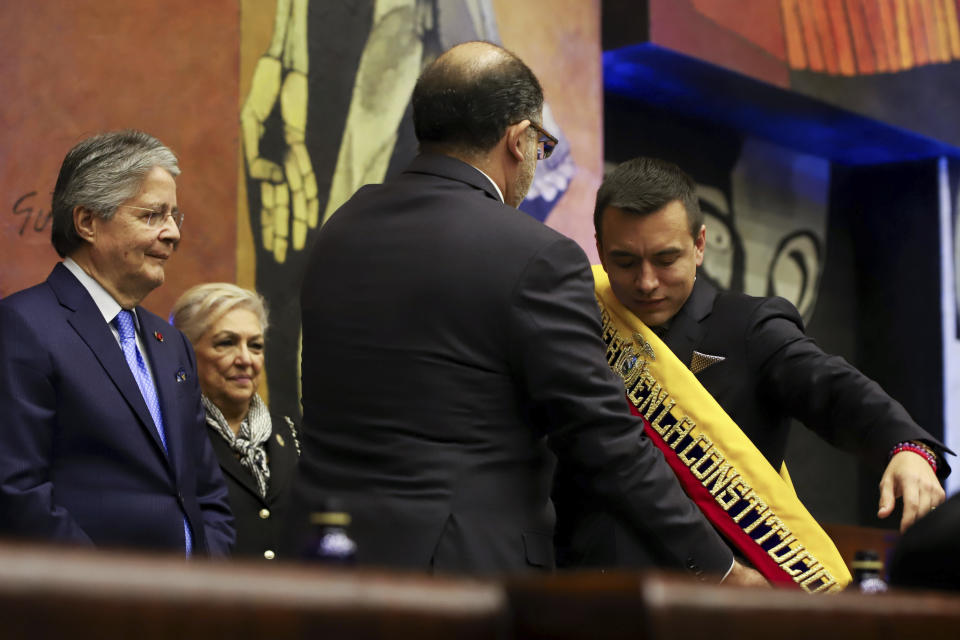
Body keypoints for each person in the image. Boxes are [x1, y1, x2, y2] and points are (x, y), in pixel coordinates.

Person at [290, 41, 762, 583]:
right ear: (518, 139)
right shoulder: (535, 255)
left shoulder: (340, 229)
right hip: (459, 574)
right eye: (542, 145)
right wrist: (719, 566)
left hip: (324, 560)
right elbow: (601, 438)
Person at [560, 156, 949, 569]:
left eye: (665, 259)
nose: (646, 281)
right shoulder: (577, 318)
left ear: (700, 245)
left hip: (722, 592)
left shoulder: (747, 326)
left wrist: (907, 447)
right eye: (624, 262)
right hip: (587, 580)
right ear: (599, 248)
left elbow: (832, 387)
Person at [0, 130, 234, 555]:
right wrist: (108, 597)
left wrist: (206, 580)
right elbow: (17, 489)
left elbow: (206, 492)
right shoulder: (23, 327)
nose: (172, 234)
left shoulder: (171, 344)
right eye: (152, 216)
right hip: (89, 610)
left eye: (174, 217)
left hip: (187, 610)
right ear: (88, 222)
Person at [171, 283, 299, 561]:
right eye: (226, 343)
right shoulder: (173, 435)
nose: (245, 359)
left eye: (255, 346)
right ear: (186, 353)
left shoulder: (288, 434)